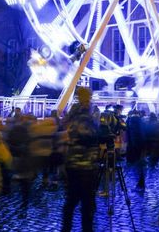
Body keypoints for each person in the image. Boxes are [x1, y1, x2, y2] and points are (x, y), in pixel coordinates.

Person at [61, 87, 100, 232]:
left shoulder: (73, 113)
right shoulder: (89, 114)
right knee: (87, 204)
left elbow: (67, 129)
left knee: (70, 202)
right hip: (87, 165)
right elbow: (90, 134)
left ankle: (66, 229)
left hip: (72, 164)